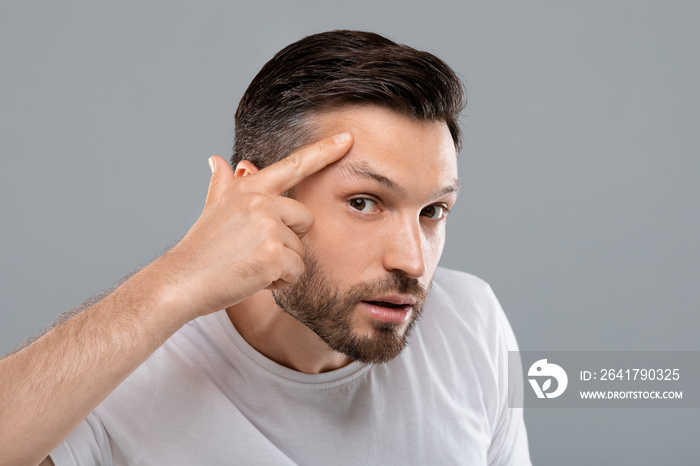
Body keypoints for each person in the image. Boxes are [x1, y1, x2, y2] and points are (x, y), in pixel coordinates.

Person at [0, 30, 531, 465]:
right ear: (258, 198)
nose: (413, 262)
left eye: (432, 212)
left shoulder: (473, 322)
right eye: (365, 203)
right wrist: (175, 281)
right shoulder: (124, 381)